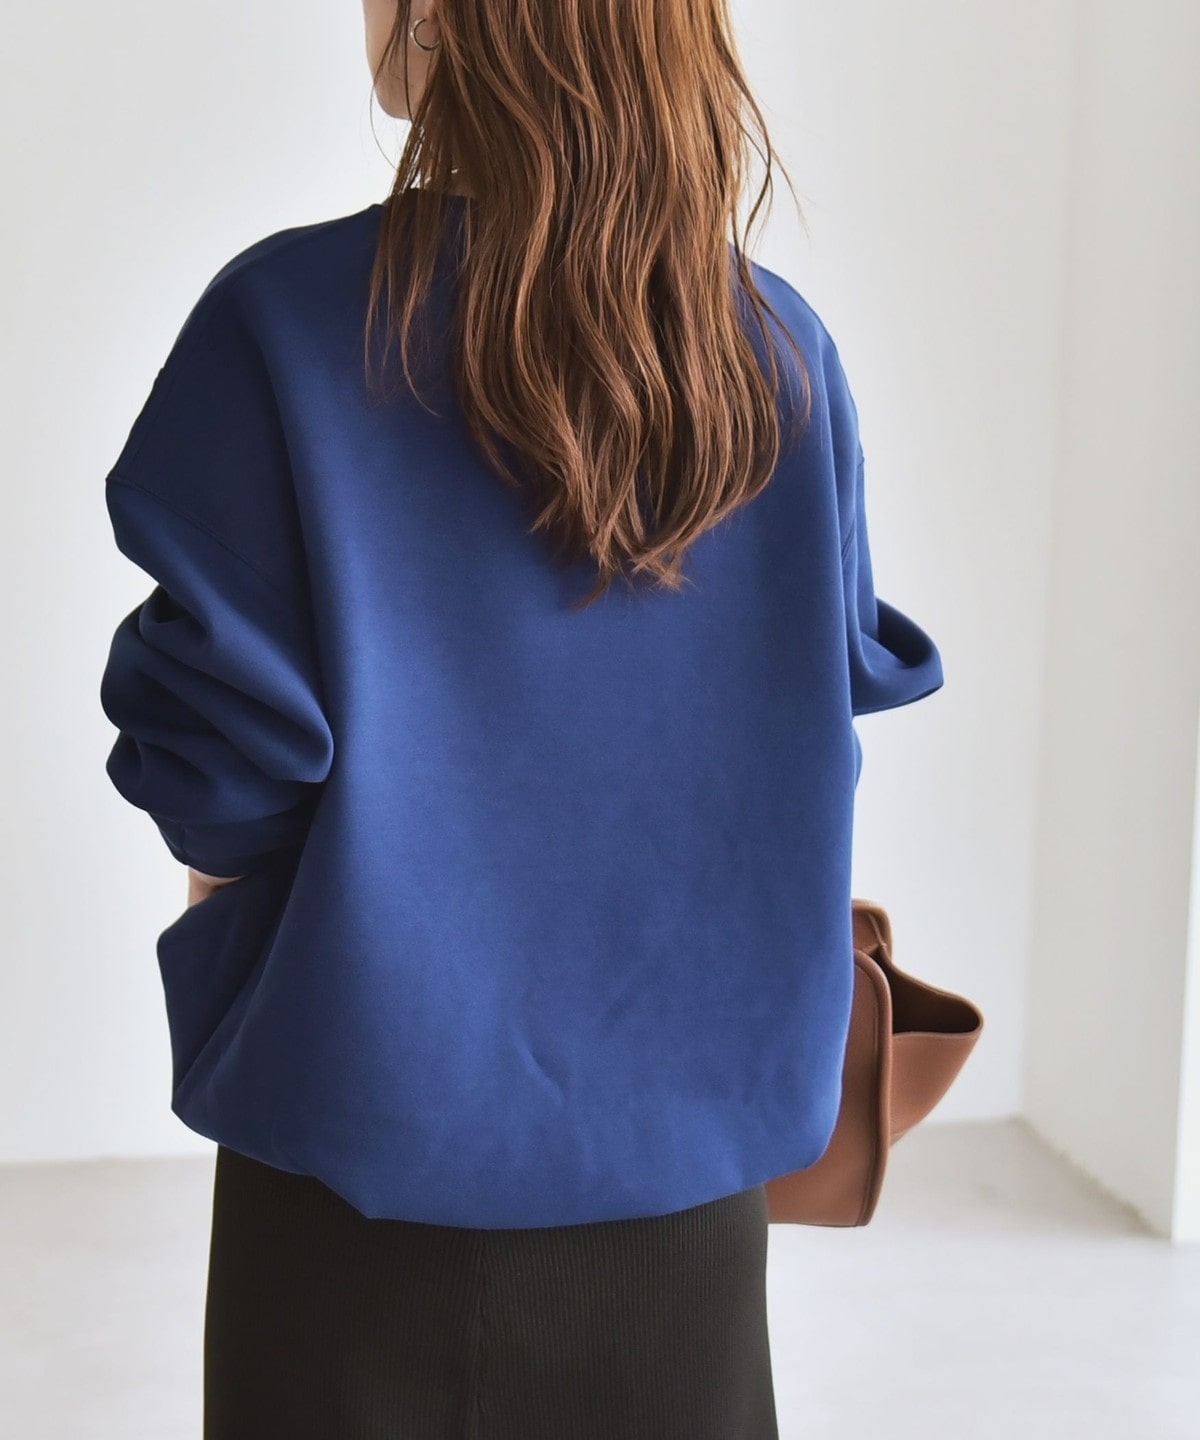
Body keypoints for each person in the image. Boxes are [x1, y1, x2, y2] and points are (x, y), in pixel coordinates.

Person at [97, 2, 944, 1436]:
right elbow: (804, 717)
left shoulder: (286, 327)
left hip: (353, 1173)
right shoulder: (775, 351)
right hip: (687, 1195)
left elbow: (222, 792)